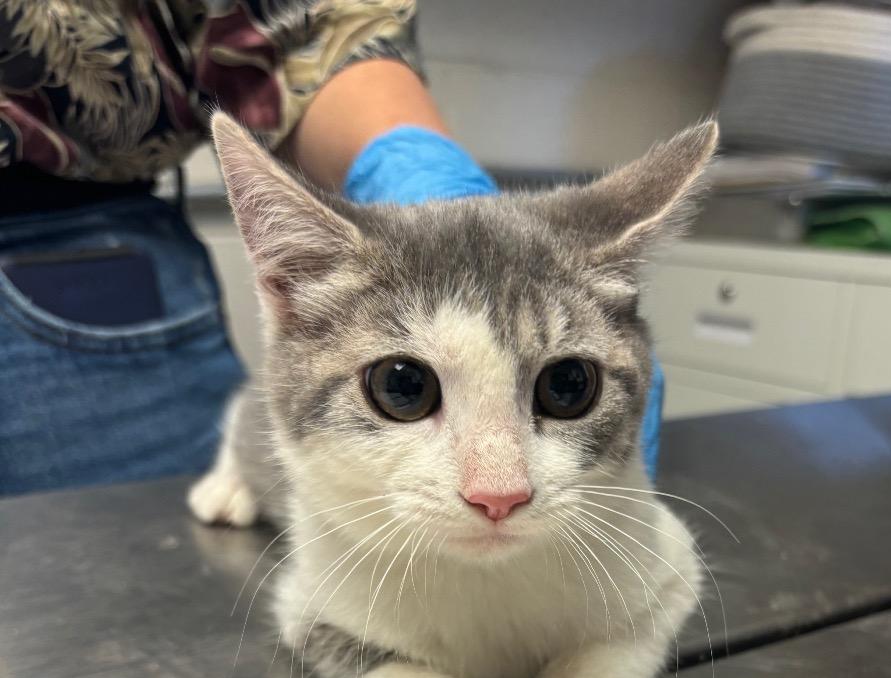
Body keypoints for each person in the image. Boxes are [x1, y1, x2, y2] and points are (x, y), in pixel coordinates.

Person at [0, 1, 664, 498]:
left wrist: (410, 165)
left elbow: (298, 21)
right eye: (403, 389)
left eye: (566, 388)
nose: (498, 488)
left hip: (76, 236)